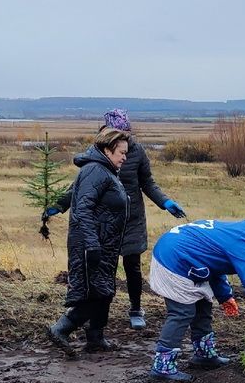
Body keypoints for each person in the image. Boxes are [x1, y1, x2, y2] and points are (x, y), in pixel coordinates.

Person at [44, 109, 185, 330]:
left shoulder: (135, 152)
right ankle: (95, 323)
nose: (125, 139)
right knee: (102, 269)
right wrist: (60, 205)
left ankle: (136, 309)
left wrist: (164, 202)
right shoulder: (99, 155)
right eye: (120, 134)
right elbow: (82, 189)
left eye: (126, 133)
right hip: (104, 220)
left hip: (131, 218)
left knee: (132, 265)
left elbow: (147, 182)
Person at [146, 205, 245, 383]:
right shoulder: (244, 243)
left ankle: (204, 355)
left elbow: (215, 263)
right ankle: (162, 368)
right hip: (173, 260)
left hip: (186, 258)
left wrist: (225, 296)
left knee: (203, 304)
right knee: (182, 312)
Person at [46, 127, 132, 354]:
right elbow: (82, 209)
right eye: (121, 152)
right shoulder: (96, 170)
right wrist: (92, 244)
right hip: (91, 243)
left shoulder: (106, 170)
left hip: (105, 243)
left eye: (126, 152)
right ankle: (60, 328)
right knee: (95, 293)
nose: (125, 157)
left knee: (104, 290)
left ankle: (95, 338)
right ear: (106, 149)